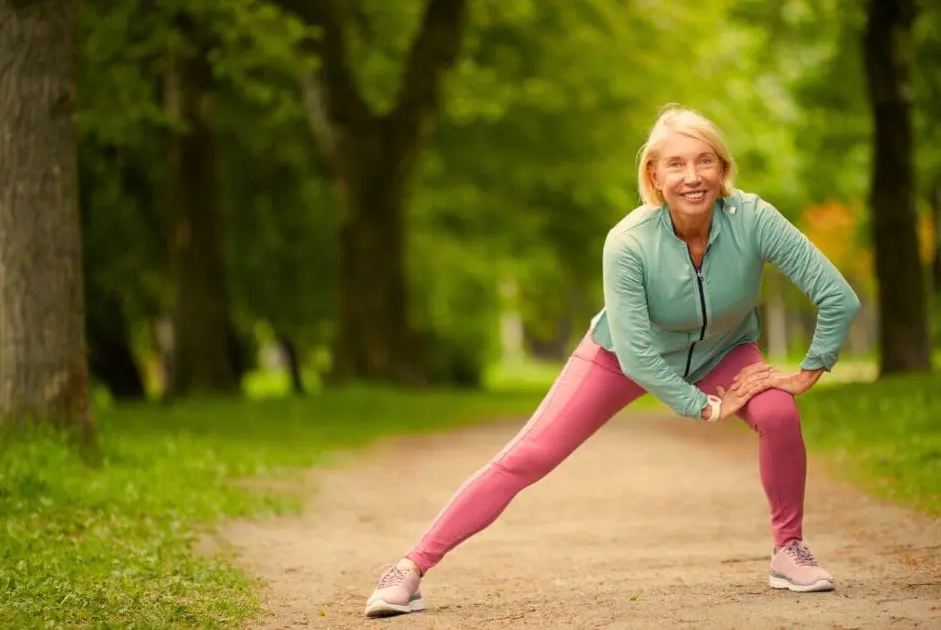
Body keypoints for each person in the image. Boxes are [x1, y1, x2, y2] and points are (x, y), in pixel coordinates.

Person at [363, 104, 861, 618]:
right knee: (530, 454)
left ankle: (789, 551)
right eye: (676, 164)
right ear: (654, 174)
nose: (693, 177)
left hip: (725, 350)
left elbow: (837, 296)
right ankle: (410, 568)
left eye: (705, 161)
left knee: (778, 412)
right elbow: (639, 353)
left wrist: (807, 371)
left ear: (723, 168)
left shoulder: (754, 219)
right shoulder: (628, 241)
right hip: (621, 355)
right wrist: (703, 408)